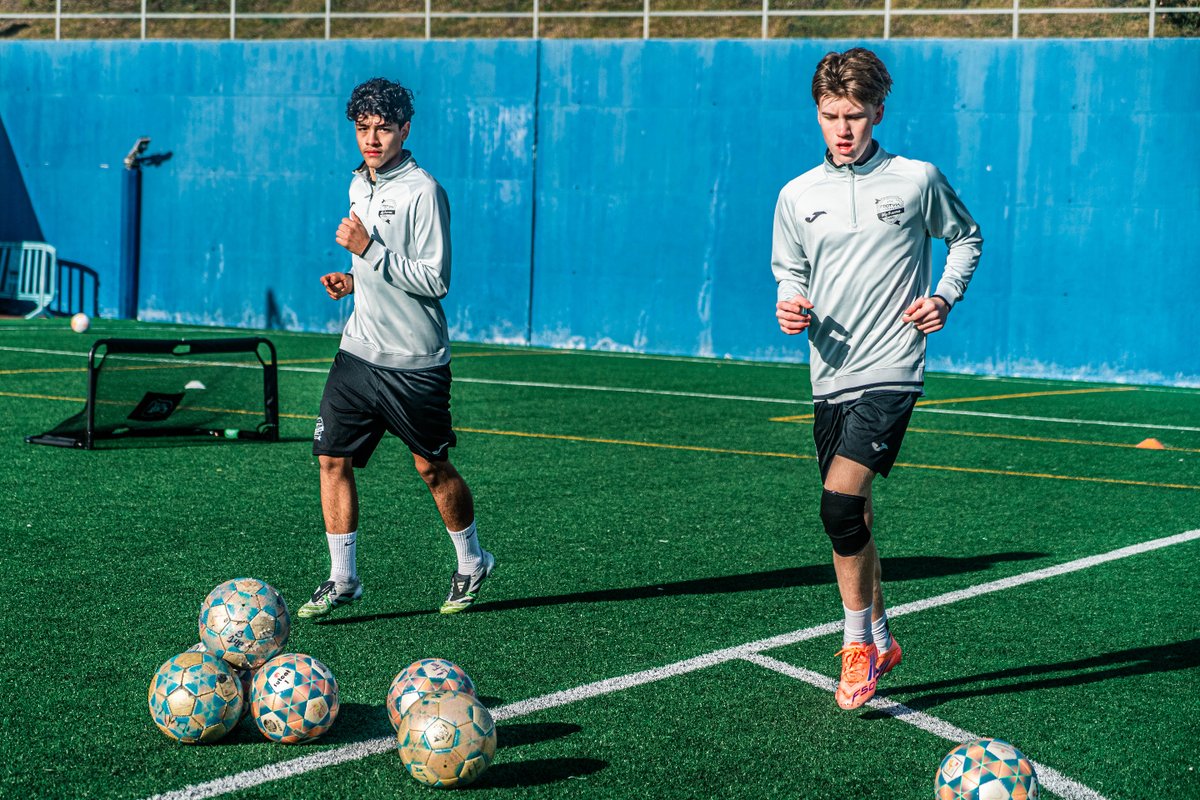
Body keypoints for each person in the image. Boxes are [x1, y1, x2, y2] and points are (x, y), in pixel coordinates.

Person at [771, 48, 982, 709]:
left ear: (878, 113)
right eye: (831, 115)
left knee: (837, 505)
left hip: (893, 366)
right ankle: (883, 634)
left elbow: (967, 237)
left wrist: (943, 297)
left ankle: (856, 641)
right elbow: (789, 268)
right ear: (817, 114)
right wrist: (788, 300)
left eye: (855, 116)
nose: (843, 129)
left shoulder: (916, 179)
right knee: (852, 516)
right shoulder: (796, 195)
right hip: (827, 371)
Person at [299, 77, 494, 620]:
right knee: (331, 459)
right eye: (363, 128)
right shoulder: (358, 184)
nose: (372, 138)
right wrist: (354, 277)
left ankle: (473, 560)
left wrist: (369, 250)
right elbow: (379, 265)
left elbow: (435, 279)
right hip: (358, 353)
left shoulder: (424, 191)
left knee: (431, 468)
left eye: (383, 128)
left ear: (405, 129)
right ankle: (343, 579)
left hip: (414, 363)